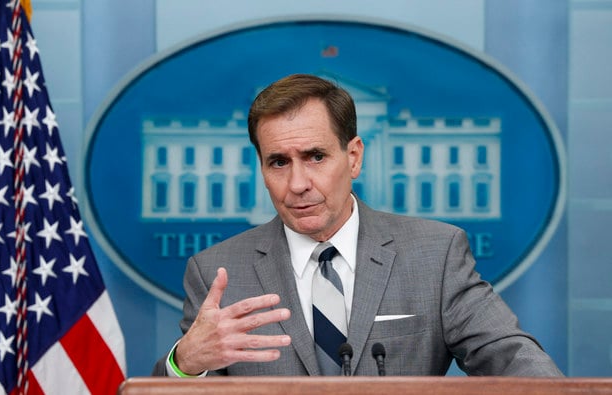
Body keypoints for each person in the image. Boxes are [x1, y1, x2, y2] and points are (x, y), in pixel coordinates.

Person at [152, 73, 563, 377]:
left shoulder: (436, 255)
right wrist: (185, 363)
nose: (297, 184)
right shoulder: (217, 271)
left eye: (315, 157)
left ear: (353, 157)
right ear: (261, 168)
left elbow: (514, 360)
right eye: (279, 162)